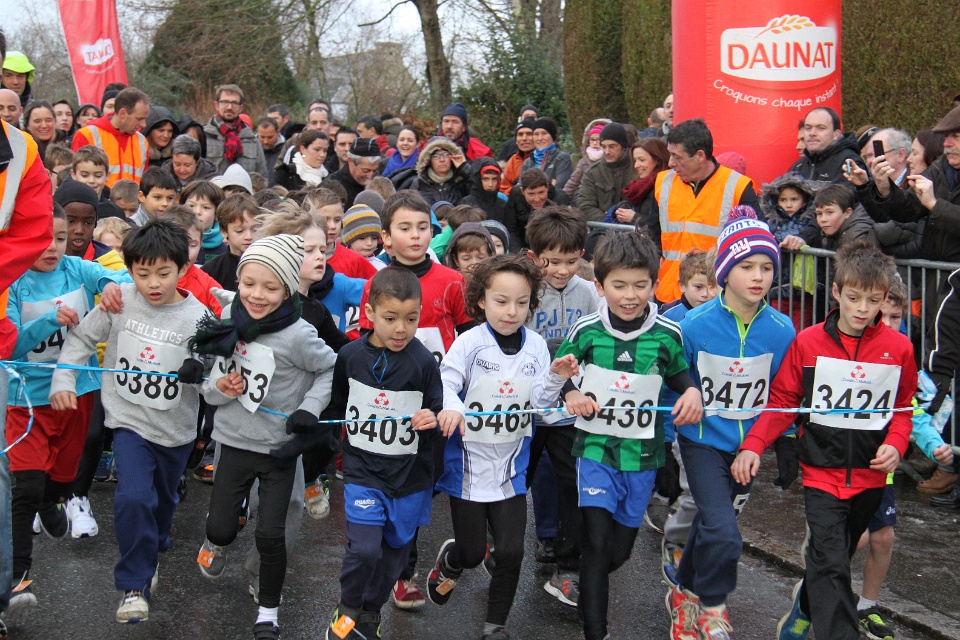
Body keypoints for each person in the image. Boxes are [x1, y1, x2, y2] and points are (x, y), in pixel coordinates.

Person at [732, 242, 918, 640]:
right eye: (853, 298)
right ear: (836, 292)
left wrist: (897, 444)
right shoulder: (809, 342)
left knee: (833, 558)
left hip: (871, 476)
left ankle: (804, 606)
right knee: (832, 563)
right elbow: (783, 401)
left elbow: (904, 409)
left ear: (885, 298)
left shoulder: (899, 348)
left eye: (873, 301)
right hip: (821, 474)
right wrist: (753, 444)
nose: (862, 309)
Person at [49, 219, 211, 624]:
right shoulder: (119, 300)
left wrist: (205, 371)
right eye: (142, 274)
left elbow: (218, 372)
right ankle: (133, 586)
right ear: (130, 270)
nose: (153, 284)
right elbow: (82, 339)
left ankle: (153, 543)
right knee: (133, 497)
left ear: (182, 268)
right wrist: (63, 379)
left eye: (163, 273)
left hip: (175, 430)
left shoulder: (199, 317)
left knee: (162, 502)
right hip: (128, 421)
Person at [555, 232, 702, 640]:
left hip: (642, 457)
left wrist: (691, 391)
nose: (630, 295)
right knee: (597, 542)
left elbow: (680, 376)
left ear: (655, 285)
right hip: (595, 451)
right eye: (619, 285)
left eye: (640, 285)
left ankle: (588, 586)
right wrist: (571, 392)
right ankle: (595, 630)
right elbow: (561, 372)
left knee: (617, 554)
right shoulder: (587, 329)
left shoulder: (667, 333)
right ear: (600, 286)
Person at [189, 234, 335, 640]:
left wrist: (310, 408)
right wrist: (221, 387)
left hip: (277, 450)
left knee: (271, 534)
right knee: (220, 529)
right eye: (248, 283)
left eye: (270, 288)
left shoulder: (299, 334)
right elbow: (209, 383)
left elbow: (331, 369)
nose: (256, 295)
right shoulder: (228, 318)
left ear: (288, 289)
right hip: (233, 441)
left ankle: (268, 612)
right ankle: (219, 536)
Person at [427, 255, 577, 640]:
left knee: (511, 552)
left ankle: (495, 626)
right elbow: (445, 383)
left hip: (511, 468)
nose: (512, 312)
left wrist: (555, 378)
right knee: (473, 552)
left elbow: (539, 404)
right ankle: (452, 560)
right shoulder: (470, 343)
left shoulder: (537, 346)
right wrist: (453, 409)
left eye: (522, 303)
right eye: (502, 301)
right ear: (481, 300)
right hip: (468, 467)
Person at [667, 211, 794, 640]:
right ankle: (713, 606)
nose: (758, 277)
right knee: (724, 533)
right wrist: (663, 442)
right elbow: (669, 382)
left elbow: (783, 393)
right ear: (724, 272)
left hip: (748, 448)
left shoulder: (781, 329)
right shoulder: (693, 325)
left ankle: (684, 593)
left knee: (709, 525)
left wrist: (785, 440)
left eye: (766, 267)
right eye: (746, 266)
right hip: (701, 442)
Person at [3, 204, 128, 616]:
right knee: (25, 486)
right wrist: (49, 322)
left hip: (77, 392)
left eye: (58, 238)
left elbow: (119, 277)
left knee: (63, 478)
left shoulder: (76, 268)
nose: (52, 247)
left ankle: (51, 500)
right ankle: (17, 576)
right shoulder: (12, 282)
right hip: (26, 399)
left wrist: (111, 285)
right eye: (41, 240)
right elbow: (10, 344)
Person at [358, 191, 475, 607]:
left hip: (437, 401)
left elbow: (470, 338)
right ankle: (399, 571)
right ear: (386, 237)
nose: (415, 235)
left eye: (423, 227)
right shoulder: (375, 284)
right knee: (394, 484)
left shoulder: (452, 281)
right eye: (405, 228)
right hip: (390, 404)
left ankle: (406, 561)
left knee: (424, 485)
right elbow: (364, 344)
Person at [321, 268, 443, 640]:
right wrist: (318, 454)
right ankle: (347, 608)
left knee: (394, 556)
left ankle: (370, 612)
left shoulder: (424, 363)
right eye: (390, 319)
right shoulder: (350, 356)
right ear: (370, 313)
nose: (401, 329)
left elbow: (438, 412)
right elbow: (336, 408)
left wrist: (432, 420)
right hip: (362, 471)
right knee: (364, 550)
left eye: (411, 319)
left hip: (409, 478)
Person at [848, 279, 954, 640]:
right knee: (856, 538)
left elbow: (913, 412)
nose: (890, 324)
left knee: (883, 538)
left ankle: (867, 606)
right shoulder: (848, 349)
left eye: (897, 317)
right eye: (884, 315)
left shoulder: (901, 356)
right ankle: (821, 586)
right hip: (842, 464)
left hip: (884, 467)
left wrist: (934, 445)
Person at [522, 206, 600, 608]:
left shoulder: (587, 293)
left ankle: (568, 564)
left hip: (570, 408)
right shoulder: (525, 291)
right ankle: (498, 543)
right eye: (552, 261)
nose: (562, 270)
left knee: (573, 481)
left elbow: (592, 343)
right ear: (534, 257)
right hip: (529, 406)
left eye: (571, 261)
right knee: (516, 478)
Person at [652, 118, 758, 303]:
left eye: (677, 156)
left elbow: (753, 244)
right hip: (668, 293)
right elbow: (651, 236)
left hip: (715, 296)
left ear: (700, 156)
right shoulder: (663, 182)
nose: (670, 163)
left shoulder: (738, 187)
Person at [71, 88, 150, 188]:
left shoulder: (142, 141)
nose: (143, 124)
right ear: (123, 113)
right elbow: (74, 180)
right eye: (139, 119)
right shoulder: (87, 135)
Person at [784, 107, 866, 187]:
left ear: (836, 134)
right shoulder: (798, 166)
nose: (812, 133)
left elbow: (845, 195)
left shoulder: (849, 163)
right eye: (808, 128)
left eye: (821, 128)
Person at [783, 184, 876, 252]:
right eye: (819, 213)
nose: (823, 219)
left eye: (830, 212)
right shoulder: (828, 233)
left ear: (847, 213)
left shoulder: (856, 237)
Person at [612, 138, 670, 243]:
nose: (636, 165)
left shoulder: (665, 187)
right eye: (635, 160)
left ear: (657, 160)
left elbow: (659, 225)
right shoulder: (643, 187)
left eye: (642, 160)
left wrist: (634, 217)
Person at [203, 84, 267, 177]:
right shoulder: (204, 136)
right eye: (225, 102)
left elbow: (262, 176)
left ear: (241, 108)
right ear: (216, 105)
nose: (229, 107)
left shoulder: (252, 140)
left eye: (234, 103)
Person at [577, 123, 636, 222]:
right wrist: (609, 219)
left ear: (623, 147)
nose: (607, 152)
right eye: (604, 147)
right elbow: (585, 206)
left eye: (612, 146)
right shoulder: (593, 172)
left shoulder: (636, 168)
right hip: (603, 227)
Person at [201, 193, 257, 292]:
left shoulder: (267, 266)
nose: (249, 236)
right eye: (239, 231)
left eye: (254, 230)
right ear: (224, 231)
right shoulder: (212, 270)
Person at [407, 136, 471, 206]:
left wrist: (464, 167)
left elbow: (478, 189)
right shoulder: (419, 184)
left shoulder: (462, 181)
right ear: (428, 160)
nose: (442, 159)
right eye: (436, 156)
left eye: (446, 155)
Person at [504, 168, 555, 252]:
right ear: (522, 191)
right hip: (522, 244)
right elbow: (510, 229)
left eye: (541, 192)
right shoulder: (515, 195)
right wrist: (519, 253)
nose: (537, 199)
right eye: (531, 194)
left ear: (547, 188)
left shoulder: (558, 198)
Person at [521, 117, 573, 193]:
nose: (540, 138)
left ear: (552, 136)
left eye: (544, 133)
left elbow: (560, 188)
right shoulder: (527, 162)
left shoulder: (562, 158)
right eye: (536, 134)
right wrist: (549, 185)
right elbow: (521, 189)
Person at [328, 138, 381, 208]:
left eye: (374, 171)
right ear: (350, 161)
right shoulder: (331, 187)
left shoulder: (379, 182)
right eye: (365, 170)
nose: (370, 176)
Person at [564, 120, 610, 200]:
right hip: (588, 196)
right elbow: (574, 181)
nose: (595, 143)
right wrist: (563, 196)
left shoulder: (610, 158)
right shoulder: (584, 161)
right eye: (592, 140)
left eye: (598, 140)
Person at [341, 204, 385, 271]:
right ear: (349, 239)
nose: (369, 243)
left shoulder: (381, 267)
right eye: (362, 238)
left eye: (374, 238)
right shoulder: (340, 264)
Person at [500, 118, 536, 197]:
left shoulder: (546, 158)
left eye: (529, 134)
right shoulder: (513, 160)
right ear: (516, 141)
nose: (524, 138)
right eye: (520, 134)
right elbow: (503, 189)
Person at [257, 117, 285, 184]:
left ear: (278, 133)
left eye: (270, 137)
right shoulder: (250, 149)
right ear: (257, 132)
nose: (266, 141)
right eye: (262, 137)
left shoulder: (285, 151)